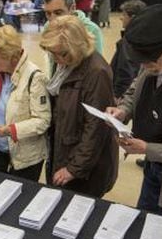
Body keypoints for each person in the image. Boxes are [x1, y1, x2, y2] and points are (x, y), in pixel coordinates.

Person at [106, 4, 162, 221]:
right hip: (153, 170)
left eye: (150, 62)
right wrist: (123, 110)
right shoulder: (156, 62)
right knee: (144, 225)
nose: (146, 67)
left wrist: (148, 148)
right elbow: (138, 86)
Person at [40, 15, 118, 197]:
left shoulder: (96, 72)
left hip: (85, 169)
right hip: (65, 150)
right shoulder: (69, 63)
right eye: (53, 53)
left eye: (63, 53)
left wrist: (73, 169)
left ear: (79, 44)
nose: (57, 59)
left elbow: (96, 129)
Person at [0, 25, 51, 181]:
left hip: (25, 157)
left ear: (8, 56)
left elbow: (42, 121)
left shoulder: (35, 78)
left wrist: (11, 130)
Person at [43, 0, 103, 67]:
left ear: (72, 8)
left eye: (58, 13)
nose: (53, 20)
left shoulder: (91, 30)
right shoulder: (47, 26)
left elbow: (96, 68)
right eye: (48, 13)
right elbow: (51, 63)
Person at [111, 0, 146, 101]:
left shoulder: (129, 40)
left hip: (123, 94)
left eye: (124, 15)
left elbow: (125, 71)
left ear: (133, 18)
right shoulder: (145, 36)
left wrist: (118, 95)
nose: (121, 18)